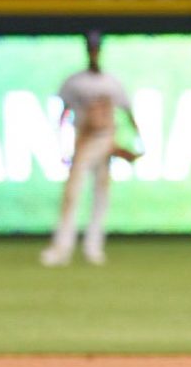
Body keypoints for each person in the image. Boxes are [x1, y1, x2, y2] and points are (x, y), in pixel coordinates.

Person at [40, 32, 141, 268]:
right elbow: (63, 114)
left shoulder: (112, 83)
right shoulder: (74, 82)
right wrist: (61, 143)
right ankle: (62, 248)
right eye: (91, 47)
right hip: (83, 142)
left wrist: (138, 142)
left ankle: (93, 247)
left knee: (101, 196)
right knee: (72, 195)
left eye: (96, 48)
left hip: (105, 141)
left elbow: (127, 113)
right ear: (87, 49)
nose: (94, 51)